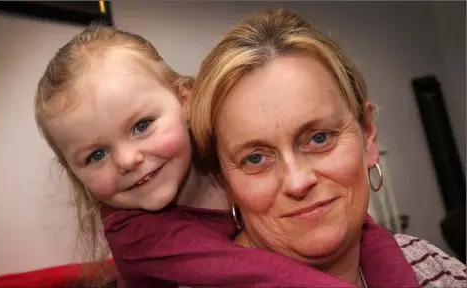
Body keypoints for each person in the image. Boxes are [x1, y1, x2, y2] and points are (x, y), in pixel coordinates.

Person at [35, 25, 395, 288]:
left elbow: (367, 231)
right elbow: (258, 273)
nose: (128, 160)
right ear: (73, 172)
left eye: (142, 125)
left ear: (185, 101)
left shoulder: (225, 158)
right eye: (96, 154)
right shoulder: (132, 231)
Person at [188, 9, 467, 288]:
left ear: (368, 135)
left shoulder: (436, 269)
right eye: (256, 158)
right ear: (224, 181)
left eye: (319, 138)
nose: (297, 183)